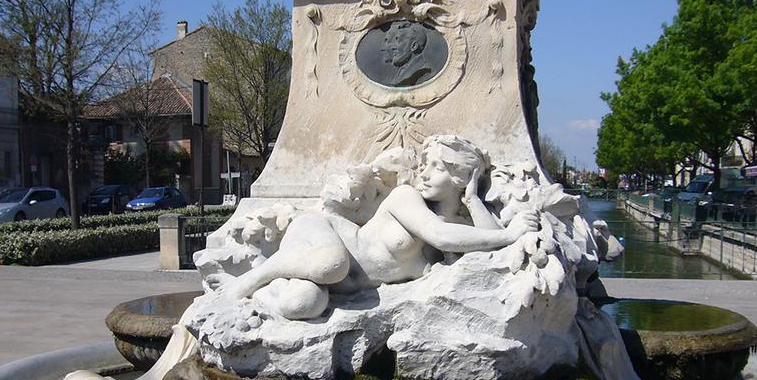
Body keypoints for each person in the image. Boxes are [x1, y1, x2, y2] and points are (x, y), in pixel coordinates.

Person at [206, 136, 540, 320]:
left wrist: (474, 199)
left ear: (459, 177)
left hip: (336, 289)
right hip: (322, 237)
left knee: (302, 305)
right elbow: (442, 235)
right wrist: (508, 233)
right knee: (332, 264)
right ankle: (253, 278)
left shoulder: (459, 231)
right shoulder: (406, 198)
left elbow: (487, 248)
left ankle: (264, 294)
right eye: (424, 165)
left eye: (436, 168)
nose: (423, 173)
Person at [381, 21, 434, 87]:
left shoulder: (423, 72)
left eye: (398, 40)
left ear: (414, 46)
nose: (393, 47)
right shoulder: (399, 71)